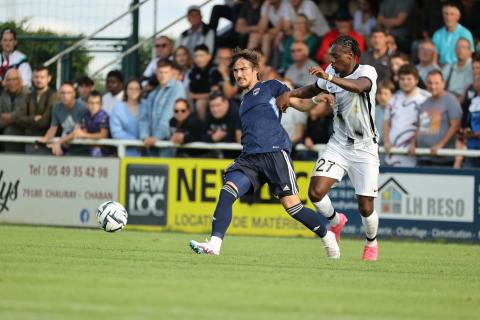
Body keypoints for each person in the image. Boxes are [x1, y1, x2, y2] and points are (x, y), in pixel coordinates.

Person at [189, 48, 339, 258]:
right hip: (250, 158)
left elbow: (300, 103)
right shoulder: (242, 102)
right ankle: (214, 244)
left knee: (293, 207)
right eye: (235, 71)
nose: (239, 74)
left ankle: (327, 236)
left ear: (255, 70)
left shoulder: (272, 86)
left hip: (275, 153)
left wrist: (316, 99)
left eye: (243, 69)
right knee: (227, 192)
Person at [277, 35, 380, 260]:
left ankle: (371, 242)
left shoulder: (367, 71)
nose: (330, 59)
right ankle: (336, 221)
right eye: (330, 55)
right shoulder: (331, 73)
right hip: (339, 144)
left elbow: (357, 87)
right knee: (315, 192)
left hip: (365, 147)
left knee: (365, 207)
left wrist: (329, 78)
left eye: (335, 55)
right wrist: (290, 93)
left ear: (350, 56)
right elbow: (312, 89)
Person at [408, 70, 462, 167]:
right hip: (422, 157)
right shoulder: (425, 103)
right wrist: (413, 143)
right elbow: (420, 127)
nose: (433, 86)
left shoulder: (451, 100)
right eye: (430, 83)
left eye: (436, 83)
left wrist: (440, 145)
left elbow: (455, 125)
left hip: (441, 159)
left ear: (443, 83)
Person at [384, 65, 431, 167]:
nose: (405, 82)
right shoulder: (394, 98)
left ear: (416, 80)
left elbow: (427, 125)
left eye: (409, 79)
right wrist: (386, 141)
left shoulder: (426, 98)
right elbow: (387, 122)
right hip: (393, 154)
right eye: (402, 79)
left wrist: (415, 143)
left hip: (415, 155)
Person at [139, 59, 186, 157]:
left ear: (172, 73)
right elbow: (144, 117)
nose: (163, 75)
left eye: (166, 72)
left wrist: (156, 137)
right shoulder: (153, 93)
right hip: (151, 142)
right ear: (156, 72)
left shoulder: (178, 87)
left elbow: (169, 115)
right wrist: (145, 136)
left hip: (168, 141)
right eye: (160, 72)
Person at [15, 65, 59, 154]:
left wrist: (28, 120)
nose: (39, 80)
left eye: (42, 77)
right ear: (32, 78)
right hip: (30, 140)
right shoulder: (27, 96)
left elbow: (45, 121)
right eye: (36, 77)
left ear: (49, 78)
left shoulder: (55, 96)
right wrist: (33, 118)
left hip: (48, 141)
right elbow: (18, 118)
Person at [38, 82, 87, 156]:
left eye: (69, 93)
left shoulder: (82, 108)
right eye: (62, 93)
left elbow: (76, 132)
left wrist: (59, 142)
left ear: (74, 94)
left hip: (83, 145)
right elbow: (53, 128)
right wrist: (44, 139)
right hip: (66, 143)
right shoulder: (56, 107)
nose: (65, 96)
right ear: (58, 94)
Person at [188, 44, 223, 121]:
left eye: (201, 56)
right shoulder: (193, 70)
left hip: (217, 99)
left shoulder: (214, 70)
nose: (198, 59)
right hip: (195, 99)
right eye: (196, 56)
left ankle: (203, 128)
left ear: (209, 56)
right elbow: (189, 91)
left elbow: (215, 94)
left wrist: (195, 96)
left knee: (200, 103)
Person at [203, 91, 241, 159]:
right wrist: (212, 138)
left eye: (218, 105)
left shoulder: (236, 114)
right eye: (212, 106)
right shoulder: (209, 114)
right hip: (214, 157)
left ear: (226, 103)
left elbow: (236, 139)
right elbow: (201, 135)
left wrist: (213, 136)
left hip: (234, 158)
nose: (215, 109)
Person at [72, 91, 110, 157]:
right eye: (91, 103)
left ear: (101, 104)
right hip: (87, 145)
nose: (94, 106)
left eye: (97, 103)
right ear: (87, 104)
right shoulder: (86, 114)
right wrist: (78, 131)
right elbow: (83, 130)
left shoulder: (103, 116)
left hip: (103, 149)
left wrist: (85, 135)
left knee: (95, 152)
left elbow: (103, 135)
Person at [110, 79, 142, 157]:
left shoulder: (146, 106)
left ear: (141, 91)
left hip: (147, 153)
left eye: (136, 88)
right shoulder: (118, 108)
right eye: (130, 88)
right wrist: (137, 142)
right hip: (125, 153)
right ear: (126, 91)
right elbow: (116, 132)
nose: (133, 91)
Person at [0, 69, 29, 152]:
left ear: (21, 80)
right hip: (4, 129)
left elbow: (21, 114)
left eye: (15, 79)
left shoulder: (28, 94)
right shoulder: (3, 95)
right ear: (5, 82)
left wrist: (9, 118)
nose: (12, 82)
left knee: (10, 131)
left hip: (23, 130)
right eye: (9, 80)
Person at [441, 38, 473, 102]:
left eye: (463, 47)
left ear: (470, 51)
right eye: (458, 47)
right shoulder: (449, 67)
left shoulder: (475, 67)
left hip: (467, 101)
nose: (460, 50)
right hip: (448, 99)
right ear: (455, 50)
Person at [375, 79, 395, 146]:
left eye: (386, 94)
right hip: (375, 149)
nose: (382, 97)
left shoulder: (397, 111)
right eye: (380, 93)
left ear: (392, 95)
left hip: (393, 149)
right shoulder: (372, 111)